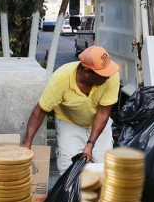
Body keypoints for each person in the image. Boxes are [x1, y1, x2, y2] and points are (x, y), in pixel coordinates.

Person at [22, 46, 121, 174]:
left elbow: (103, 113)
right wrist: (27, 142)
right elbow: (40, 111)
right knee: (69, 170)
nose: (108, 76)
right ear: (86, 71)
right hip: (69, 122)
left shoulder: (111, 77)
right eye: (103, 74)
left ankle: (97, 194)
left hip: (98, 124)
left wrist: (90, 144)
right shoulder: (60, 80)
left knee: (105, 168)